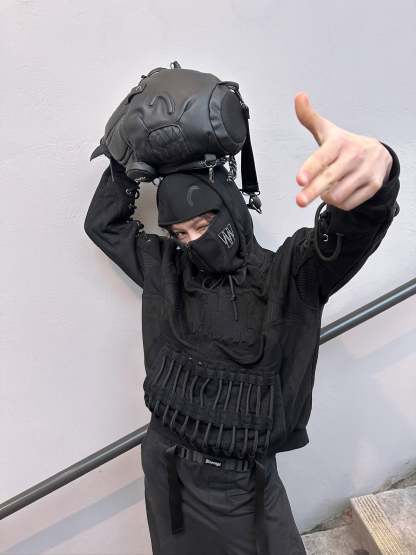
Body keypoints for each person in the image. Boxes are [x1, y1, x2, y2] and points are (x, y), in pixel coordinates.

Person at [83, 93, 400, 555]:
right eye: (179, 233)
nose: (192, 242)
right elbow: (104, 225)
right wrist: (122, 153)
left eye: (202, 224)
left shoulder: (288, 276)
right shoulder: (167, 268)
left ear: (230, 208)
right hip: (164, 465)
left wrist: (380, 173)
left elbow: (346, 241)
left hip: (242, 486)